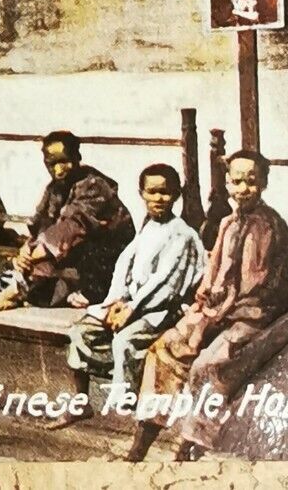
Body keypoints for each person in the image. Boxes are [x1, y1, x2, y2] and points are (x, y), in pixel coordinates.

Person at [124, 150, 288, 461]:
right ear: (227, 183)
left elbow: (256, 290)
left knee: (209, 366)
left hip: (265, 317)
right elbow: (213, 277)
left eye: (251, 182)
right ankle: (143, 439)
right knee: (164, 349)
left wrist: (207, 323)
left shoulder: (267, 227)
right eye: (236, 181)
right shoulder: (228, 223)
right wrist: (200, 313)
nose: (243, 189)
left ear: (264, 184)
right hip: (225, 310)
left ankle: (191, 444)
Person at [49, 163, 205, 428]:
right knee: (81, 331)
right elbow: (124, 266)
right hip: (130, 304)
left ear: (176, 194)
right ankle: (81, 401)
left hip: (160, 310)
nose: (159, 199)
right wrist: (116, 302)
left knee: (125, 341)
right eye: (152, 192)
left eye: (166, 193)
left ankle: (129, 407)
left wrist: (132, 309)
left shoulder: (182, 234)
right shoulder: (147, 228)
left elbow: (165, 283)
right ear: (142, 194)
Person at [0, 131, 136, 310]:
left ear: (77, 157)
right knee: (40, 281)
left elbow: (72, 227)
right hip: (73, 252)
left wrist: (34, 253)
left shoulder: (95, 185)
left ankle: (25, 290)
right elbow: (42, 225)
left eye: (63, 161)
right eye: (51, 163)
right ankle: (25, 288)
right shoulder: (55, 188)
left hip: (106, 258)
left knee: (57, 260)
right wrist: (26, 250)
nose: (58, 170)